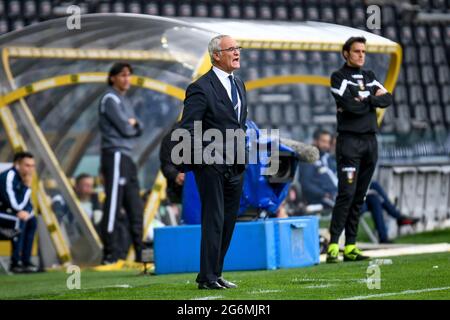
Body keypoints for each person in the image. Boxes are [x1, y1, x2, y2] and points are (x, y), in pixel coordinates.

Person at [178, 35, 247, 290]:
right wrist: (205, 160)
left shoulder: (239, 84)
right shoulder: (200, 87)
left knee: (229, 220)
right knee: (214, 219)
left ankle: (215, 273)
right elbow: (188, 129)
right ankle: (206, 277)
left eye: (238, 48)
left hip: (236, 164)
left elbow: (238, 124)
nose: (237, 52)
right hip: (211, 165)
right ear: (216, 55)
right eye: (232, 49)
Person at [327, 36, 393, 263]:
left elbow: (388, 98)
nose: (361, 55)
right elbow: (349, 106)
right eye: (357, 51)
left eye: (364, 51)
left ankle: (351, 246)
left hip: (370, 142)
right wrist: (370, 100)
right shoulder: (338, 77)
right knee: (346, 193)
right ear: (346, 53)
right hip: (349, 142)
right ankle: (334, 244)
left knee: (360, 195)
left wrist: (364, 100)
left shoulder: (370, 76)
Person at [99, 62, 144, 264]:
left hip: (126, 157)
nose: (127, 79)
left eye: (129, 75)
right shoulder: (110, 98)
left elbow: (138, 127)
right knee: (114, 204)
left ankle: (140, 253)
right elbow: (126, 129)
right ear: (112, 78)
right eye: (123, 75)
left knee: (135, 204)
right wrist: (132, 125)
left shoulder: (124, 100)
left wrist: (134, 125)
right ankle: (109, 253)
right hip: (115, 154)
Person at [0, 152, 38, 273]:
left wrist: (27, 212)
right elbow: (15, 204)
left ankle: (26, 261)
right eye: (27, 165)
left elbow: (29, 205)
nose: (30, 169)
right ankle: (15, 262)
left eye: (33, 166)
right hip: (3, 213)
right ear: (17, 164)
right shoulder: (9, 177)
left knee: (32, 220)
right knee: (18, 220)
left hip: (10, 213)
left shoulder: (23, 177)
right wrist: (27, 187)